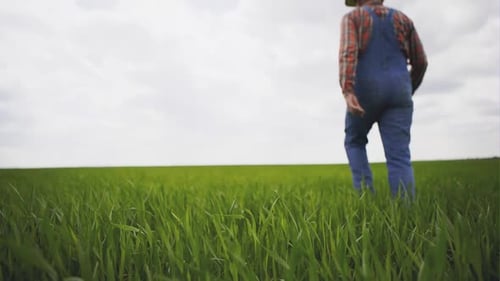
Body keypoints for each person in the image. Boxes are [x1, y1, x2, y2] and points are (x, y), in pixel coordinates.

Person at [339, 0, 428, 198]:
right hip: (399, 91)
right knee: (399, 155)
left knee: (354, 141)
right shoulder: (403, 19)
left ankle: (366, 198)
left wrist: (348, 91)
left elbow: (348, 53)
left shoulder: (353, 18)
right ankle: (405, 212)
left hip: (365, 91)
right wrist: (407, 88)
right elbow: (421, 61)